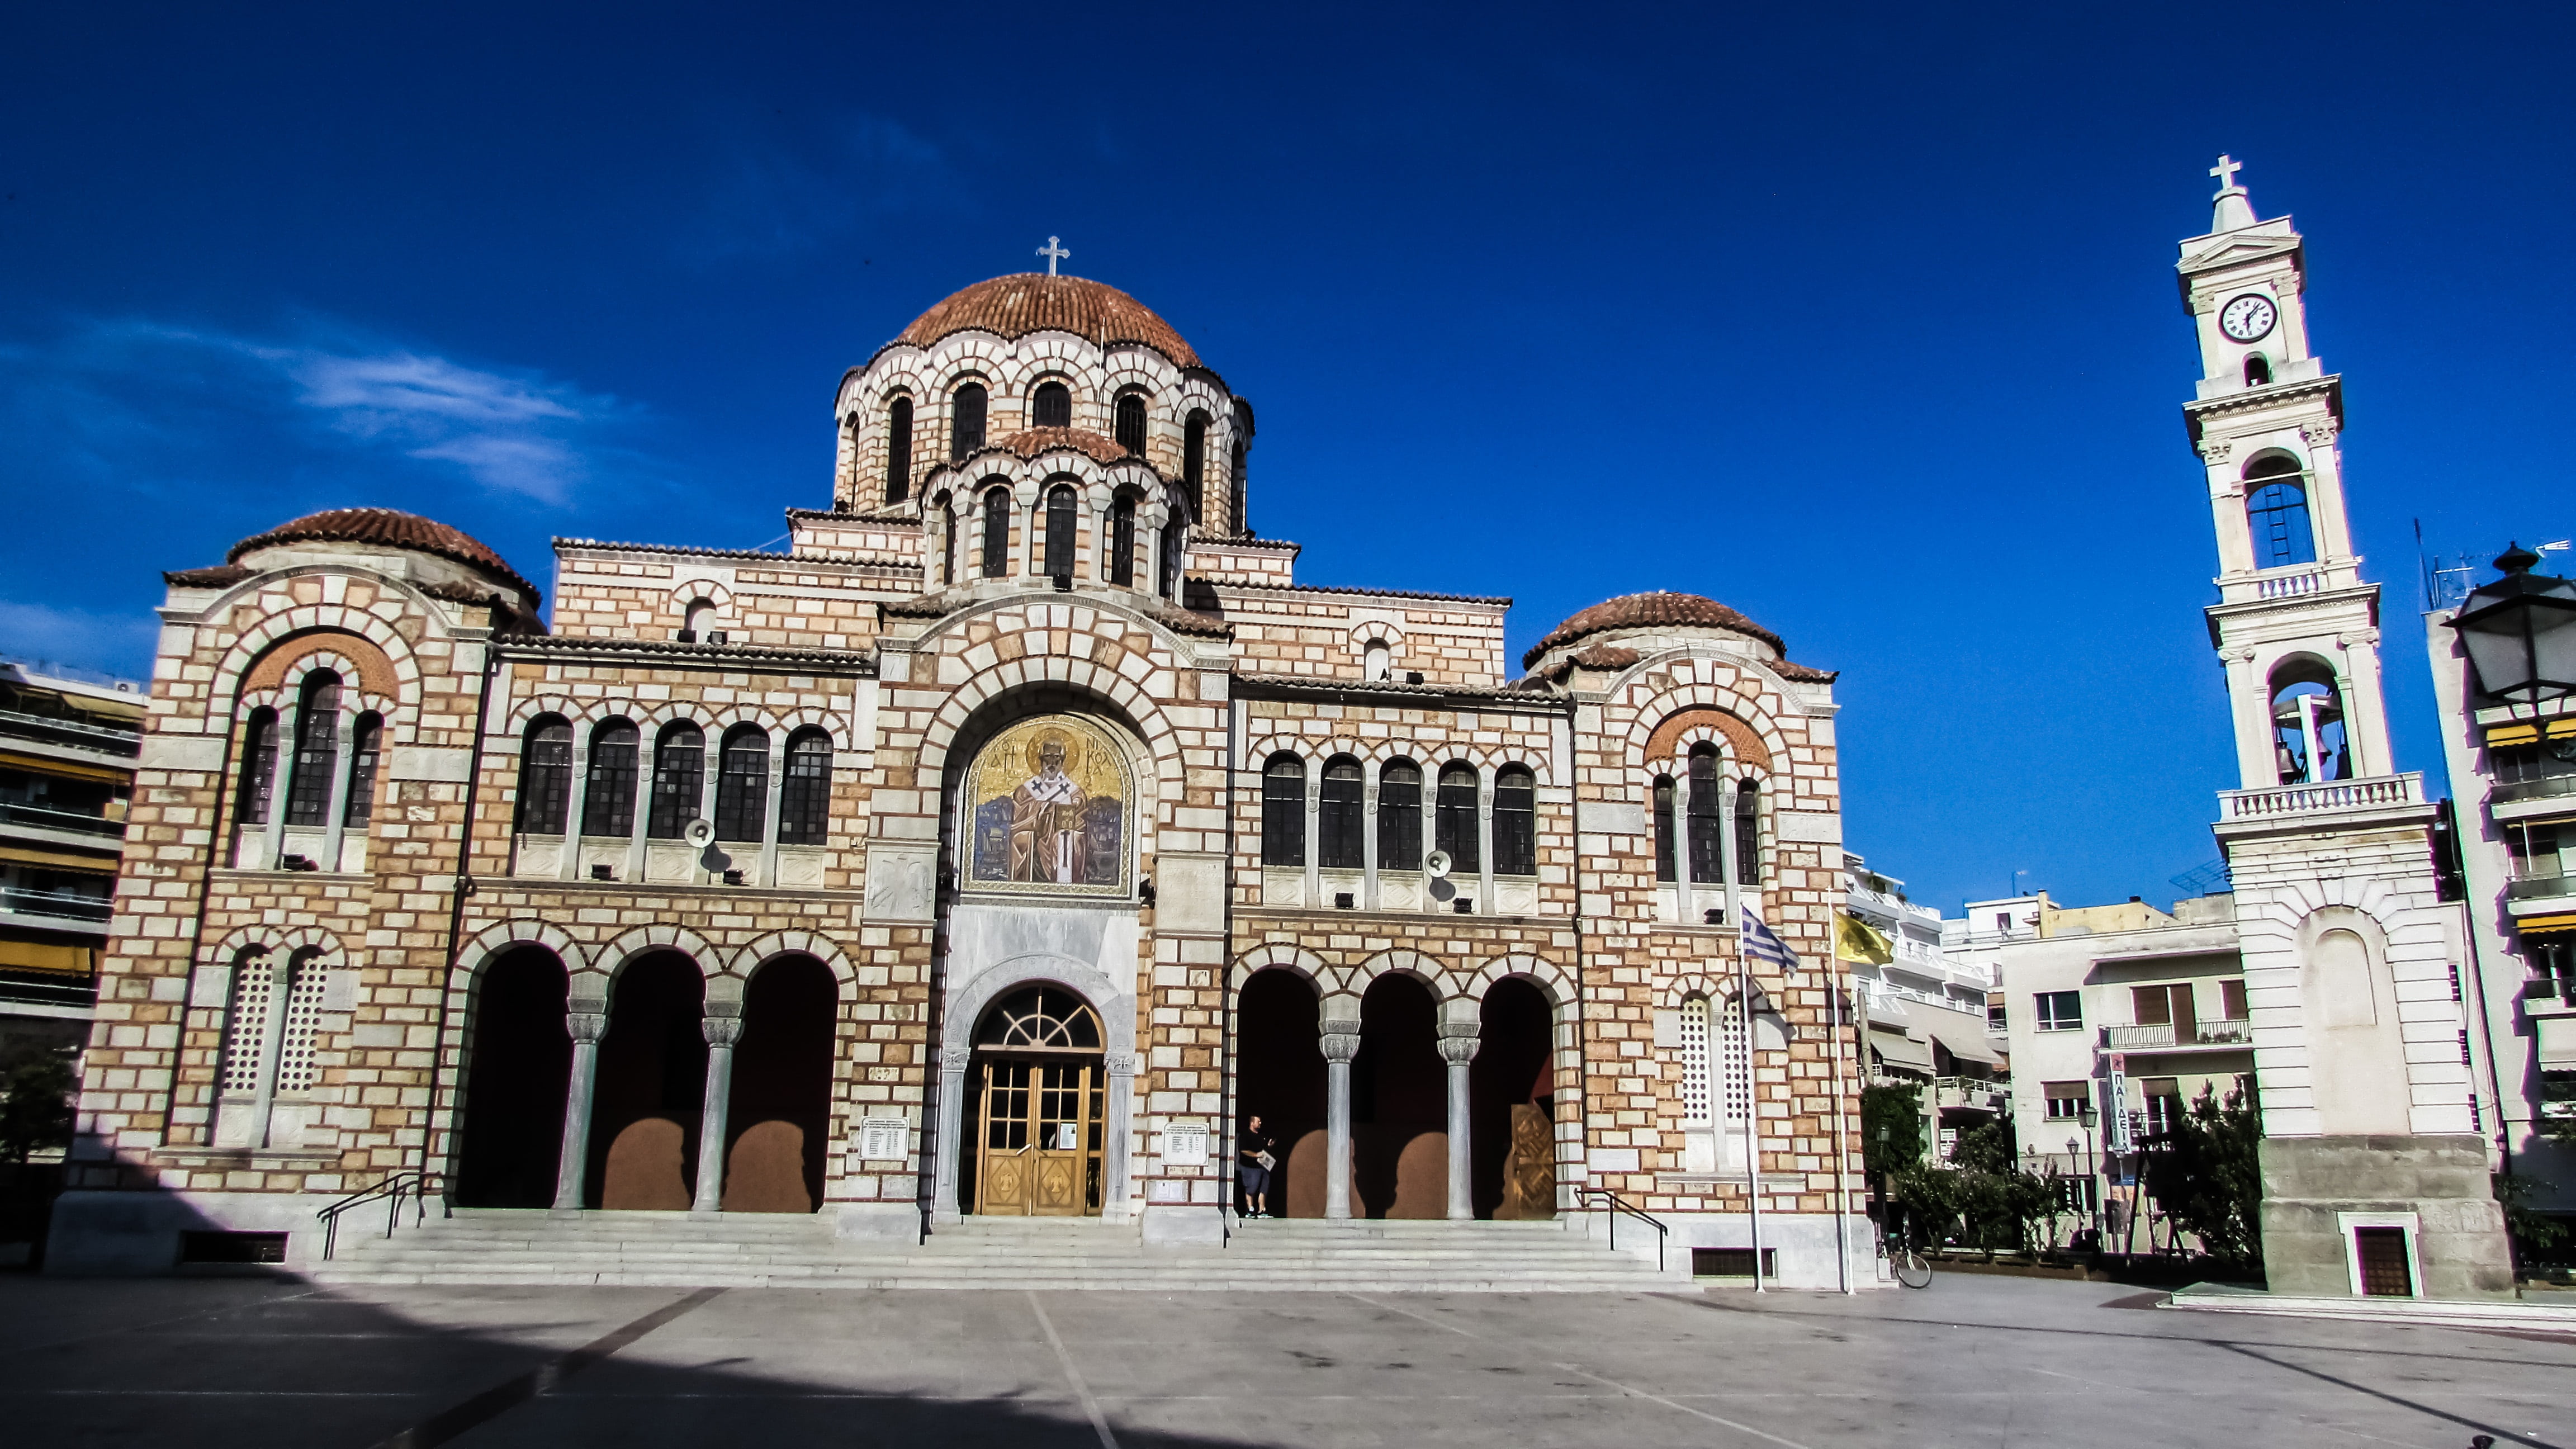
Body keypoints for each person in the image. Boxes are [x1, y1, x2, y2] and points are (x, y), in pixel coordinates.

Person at [1238, 1114, 1276, 1219]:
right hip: (1249, 1167)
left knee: (1264, 1189)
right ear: (1252, 1122)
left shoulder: (1262, 1135)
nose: (1260, 1123)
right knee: (1251, 1187)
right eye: (1258, 1121)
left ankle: (1262, 1210)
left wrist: (1269, 1145)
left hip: (1263, 1166)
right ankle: (1250, 1209)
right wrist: (1255, 1155)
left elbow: (1264, 1149)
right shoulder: (1245, 1135)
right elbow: (1243, 1150)